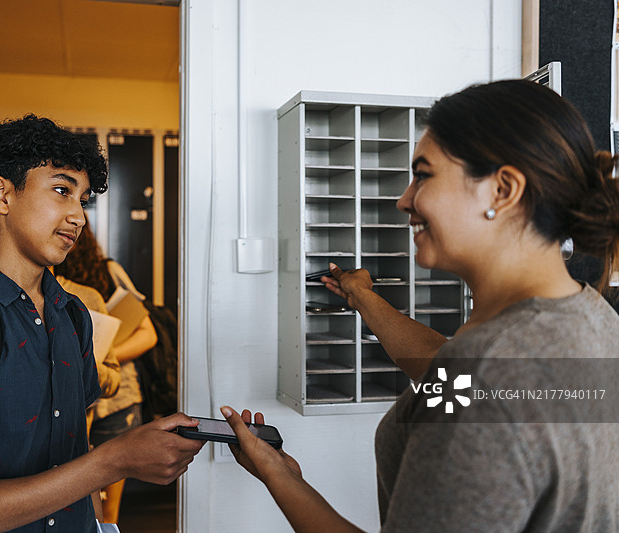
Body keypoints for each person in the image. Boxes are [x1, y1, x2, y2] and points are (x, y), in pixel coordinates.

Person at [222, 79, 619, 532]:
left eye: (424, 174)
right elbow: (452, 374)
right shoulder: (593, 321)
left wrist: (275, 476)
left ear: (502, 190)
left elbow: (475, 386)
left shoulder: (486, 374)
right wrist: (363, 298)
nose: (403, 199)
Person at [0, 114, 204, 532]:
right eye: (62, 191)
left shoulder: (74, 315)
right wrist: (117, 459)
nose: (78, 216)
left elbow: (73, 454)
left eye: (83, 199)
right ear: (2, 195)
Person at [54, 217, 157, 524]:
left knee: (105, 510)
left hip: (115, 395)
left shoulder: (105, 274)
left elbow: (148, 334)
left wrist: (96, 358)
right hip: (77, 401)